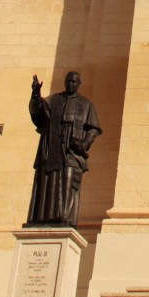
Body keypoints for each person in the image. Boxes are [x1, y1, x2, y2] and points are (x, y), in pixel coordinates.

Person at [26, 70, 102, 226]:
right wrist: (35, 95)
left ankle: (65, 217)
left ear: (79, 84)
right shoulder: (54, 100)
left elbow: (93, 129)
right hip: (52, 144)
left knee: (68, 180)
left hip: (72, 149)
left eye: (74, 82)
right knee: (49, 181)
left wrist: (85, 144)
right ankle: (44, 218)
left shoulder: (86, 104)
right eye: (68, 81)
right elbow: (38, 111)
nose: (70, 84)